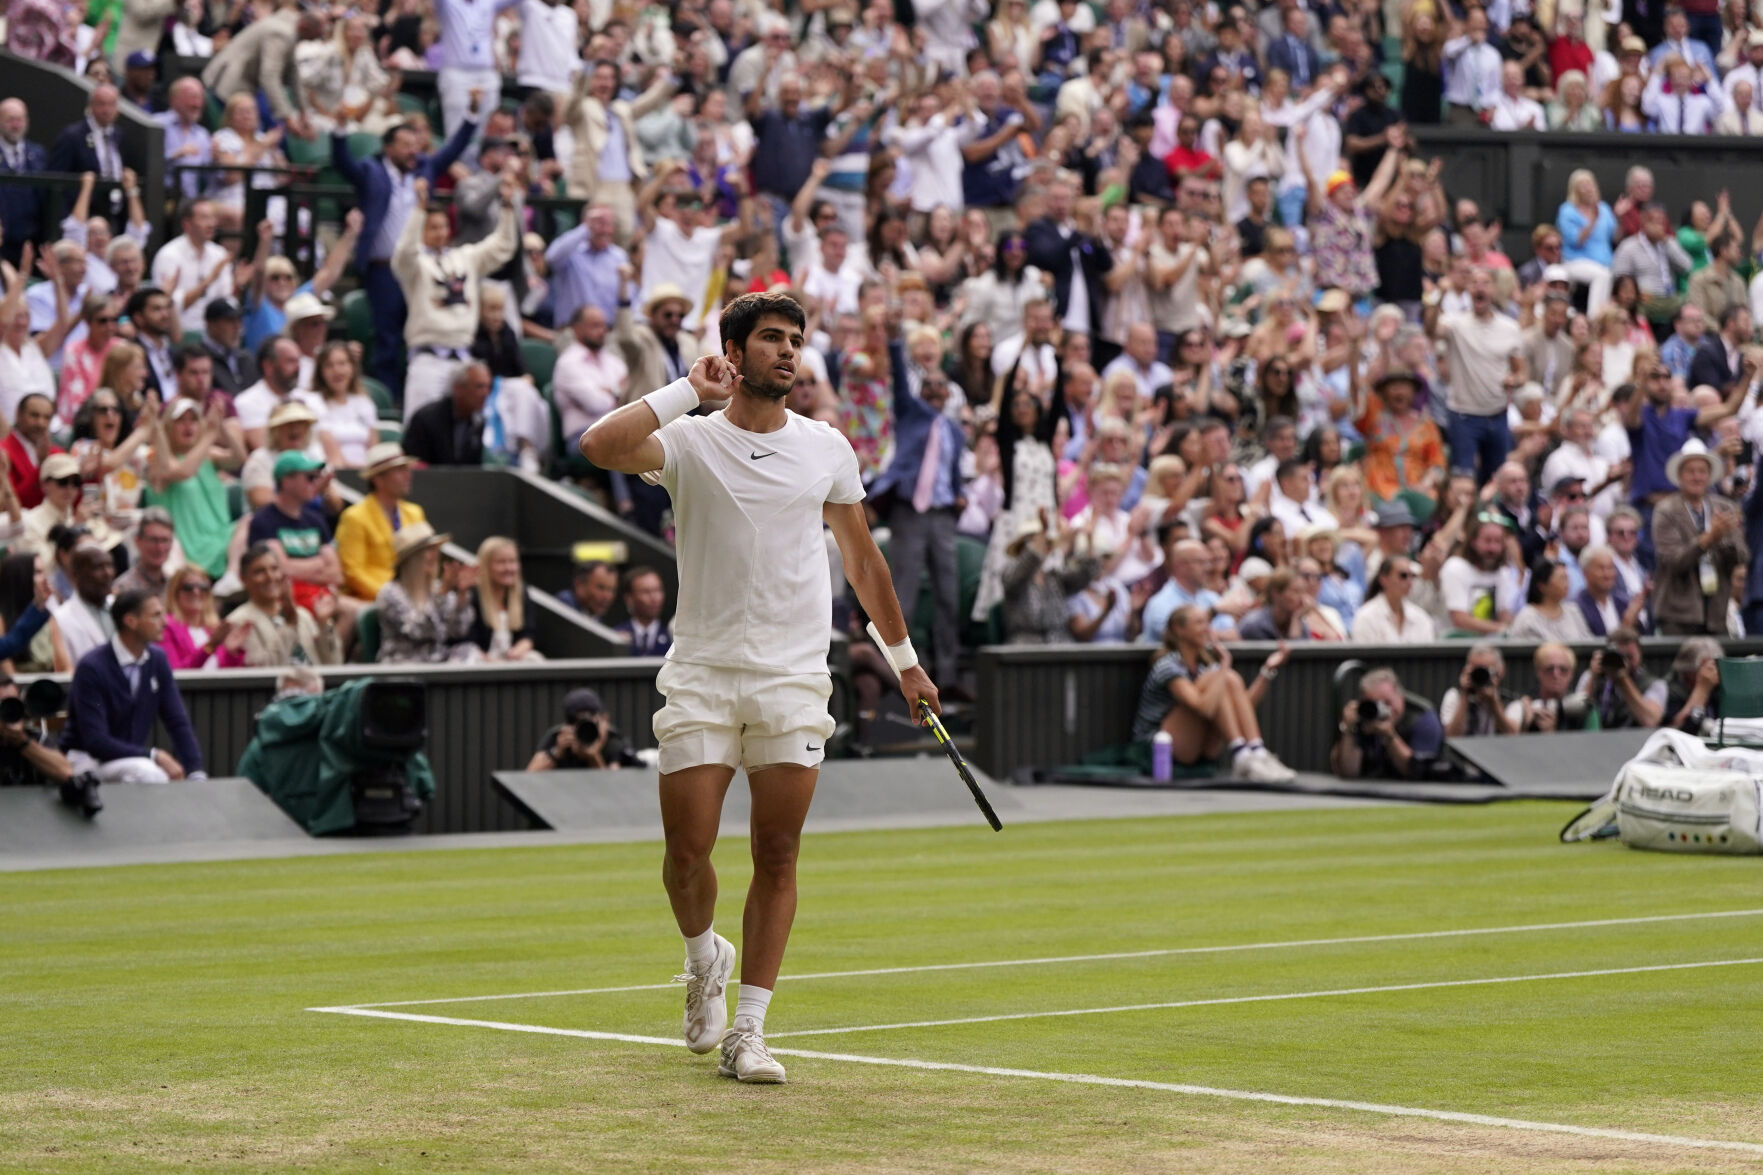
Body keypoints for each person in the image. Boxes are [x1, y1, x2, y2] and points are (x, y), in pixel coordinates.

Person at [579, 290, 940, 1085]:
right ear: (734, 353)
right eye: (770, 338)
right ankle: (702, 954)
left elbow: (863, 562)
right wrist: (686, 389)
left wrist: (903, 660)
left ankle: (749, 1030)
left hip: (792, 674)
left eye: (795, 339)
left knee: (777, 851)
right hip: (703, 670)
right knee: (685, 855)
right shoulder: (689, 439)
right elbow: (599, 444)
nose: (788, 350)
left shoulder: (826, 448)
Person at [867, 321, 965, 694]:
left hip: (941, 517)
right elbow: (898, 381)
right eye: (930, 387)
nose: (937, 392)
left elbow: (954, 472)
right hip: (910, 511)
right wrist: (894, 342)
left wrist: (959, 494)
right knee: (903, 594)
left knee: (948, 596)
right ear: (922, 392)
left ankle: (949, 676)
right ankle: (901, 673)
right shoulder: (911, 414)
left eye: (942, 386)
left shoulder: (955, 431)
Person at [395, 174, 523, 423]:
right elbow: (404, 254)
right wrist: (418, 212)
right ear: (421, 231)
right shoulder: (416, 266)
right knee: (419, 426)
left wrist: (507, 207)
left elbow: (503, 247)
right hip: (428, 358)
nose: (440, 233)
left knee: (469, 428)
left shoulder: (466, 257)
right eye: (432, 227)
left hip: (464, 358)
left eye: (443, 226)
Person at [1130, 604, 1296, 781]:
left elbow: (1242, 708)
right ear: (1179, 629)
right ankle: (1243, 756)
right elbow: (1204, 708)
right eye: (1199, 623)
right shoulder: (1167, 665)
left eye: (1207, 623)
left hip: (1200, 748)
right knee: (1222, 678)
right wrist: (1224, 666)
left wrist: (1267, 671)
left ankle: (1256, 752)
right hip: (1158, 748)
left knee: (1226, 679)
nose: (1207, 629)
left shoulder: (1206, 668)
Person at [61, 588, 204, 784]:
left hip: (130, 760)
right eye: (156, 615)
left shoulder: (157, 660)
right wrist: (154, 755)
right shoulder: (92, 667)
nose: (165, 622)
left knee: (148, 772)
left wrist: (196, 772)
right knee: (150, 773)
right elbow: (95, 741)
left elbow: (177, 722)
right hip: (85, 760)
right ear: (131, 621)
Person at [1652, 441, 1746, 635]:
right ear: (1680, 476)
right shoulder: (1666, 510)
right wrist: (1708, 539)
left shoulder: (1725, 507)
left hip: (1716, 611)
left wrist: (1722, 540)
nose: (1697, 477)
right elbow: (1674, 561)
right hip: (1678, 614)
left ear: (1710, 476)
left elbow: (1741, 556)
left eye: (1702, 471)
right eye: (1691, 471)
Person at [223, 542, 342, 667]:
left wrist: (323, 623)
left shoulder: (302, 615)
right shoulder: (238, 621)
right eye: (259, 572)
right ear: (243, 579)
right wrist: (288, 627)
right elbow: (259, 672)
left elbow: (334, 663)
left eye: (274, 569)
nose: (270, 577)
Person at [375, 522, 479, 663]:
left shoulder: (436, 588)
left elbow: (457, 631)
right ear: (412, 557)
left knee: (470, 651)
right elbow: (418, 631)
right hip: (403, 663)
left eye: (436, 549)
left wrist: (461, 596)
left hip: (435, 661)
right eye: (429, 550)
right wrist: (442, 594)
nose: (435, 556)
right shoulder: (390, 593)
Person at [335, 443, 426, 602]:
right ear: (378, 479)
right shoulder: (354, 517)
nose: (408, 476)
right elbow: (352, 572)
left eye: (407, 469)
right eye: (399, 470)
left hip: (411, 597)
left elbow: (425, 561)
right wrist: (390, 597)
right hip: (370, 600)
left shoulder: (415, 513)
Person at [1332, 667, 1446, 780]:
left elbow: (1417, 771)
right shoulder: (1365, 716)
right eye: (1375, 704)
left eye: (1387, 702)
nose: (1384, 709)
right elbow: (1348, 771)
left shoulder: (1423, 718)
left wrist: (1389, 736)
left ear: (1400, 696)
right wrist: (1349, 730)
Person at [525, 687, 641, 771]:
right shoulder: (557, 738)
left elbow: (617, 793)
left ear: (605, 719)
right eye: (577, 723)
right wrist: (556, 752)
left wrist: (593, 757)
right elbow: (529, 780)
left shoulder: (614, 743)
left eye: (592, 722)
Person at [403, 362, 490, 468]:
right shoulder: (425, 420)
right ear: (458, 388)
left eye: (488, 387)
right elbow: (413, 465)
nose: (485, 393)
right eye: (479, 387)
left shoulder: (478, 422)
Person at [469, 535, 540, 662]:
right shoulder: (472, 595)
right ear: (486, 566)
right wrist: (492, 663)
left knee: (534, 658)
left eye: (513, 561)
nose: (509, 568)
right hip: (481, 663)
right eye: (501, 562)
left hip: (510, 661)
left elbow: (528, 634)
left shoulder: (521, 592)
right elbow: (468, 643)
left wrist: (515, 653)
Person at [1579, 626, 1666, 729]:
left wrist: (1623, 679)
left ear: (1640, 654)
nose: (1625, 662)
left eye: (1630, 657)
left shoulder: (1655, 684)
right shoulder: (1591, 676)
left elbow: (1650, 721)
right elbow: (1577, 713)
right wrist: (1593, 677)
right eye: (1620, 656)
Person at [160, 563, 232, 670]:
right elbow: (175, 672)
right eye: (188, 587)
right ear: (175, 592)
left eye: (203, 587)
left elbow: (228, 672)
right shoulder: (166, 627)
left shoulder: (214, 628)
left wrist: (233, 651)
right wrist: (209, 647)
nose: (196, 592)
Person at [1440, 642, 1520, 738]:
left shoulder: (1511, 702)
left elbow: (1512, 737)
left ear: (1500, 671)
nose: (1481, 675)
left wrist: (1493, 702)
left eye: (1486, 670)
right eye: (1477, 670)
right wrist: (1464, 696)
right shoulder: (1455, 696)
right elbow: (1451, 737)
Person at [1350, 554, 1436, 642]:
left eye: (1412, 576)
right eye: (1403, 576)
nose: (1409, 581)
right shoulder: (1366, 617)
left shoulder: (1421, 618)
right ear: (1384, 579)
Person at [1507, 557, 1594, 641]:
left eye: (1567, 578)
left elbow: (1587, 642)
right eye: (1561, 578)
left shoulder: (1573, 611)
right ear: (1542, 586)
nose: (1567, 584)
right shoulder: (1528, 617)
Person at [1663, 636, 1725, 732]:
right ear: (1689, 670)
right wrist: (1702, 689)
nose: (1713, 673)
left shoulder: (1718, 689)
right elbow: (1676, 730)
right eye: (1707, 668)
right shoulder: (1669, 690)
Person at [111, 507, 175, 598]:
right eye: (153, 540)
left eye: (165, 540)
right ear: (138, 541)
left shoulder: (175, 587)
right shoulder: (122, 589)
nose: (159, 548)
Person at [613, 564, 670, 656]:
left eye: (658, 590)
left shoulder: (672, 638)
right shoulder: (616, 636)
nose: (654, 598)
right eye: (646, 592)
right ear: (629, 598)